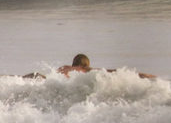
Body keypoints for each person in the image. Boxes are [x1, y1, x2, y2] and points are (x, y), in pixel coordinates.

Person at [24, 54, 156, 79]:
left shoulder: (66, 69)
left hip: (54, 82)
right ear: (86, 64)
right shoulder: (86, 70)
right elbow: (114, 72)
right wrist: (145, 75)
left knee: (35, 75)